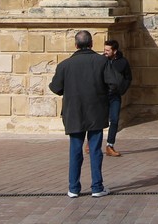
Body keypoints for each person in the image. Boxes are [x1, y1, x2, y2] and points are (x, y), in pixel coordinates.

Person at [49, 30, 117, 198]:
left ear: (76, 45)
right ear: (91, 44)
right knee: (95, 150)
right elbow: (114, 83)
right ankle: (97, 187)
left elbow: (55, 88)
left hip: (74, 112)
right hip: (96, 111)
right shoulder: (102, 61)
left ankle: (73, 188)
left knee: (75, 150)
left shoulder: (65, 65)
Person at [103, 39, 132, 157]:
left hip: (115, 95)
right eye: (104, 49)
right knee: (99, 119)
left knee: (114, 120)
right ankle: (91, 142)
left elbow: (128, 77)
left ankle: (110, 145)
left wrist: (121, 90)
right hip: (102, 95)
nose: (105, 52)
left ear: (114, 51)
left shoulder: (123, 62)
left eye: (107, 50)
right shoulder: (101, 61)